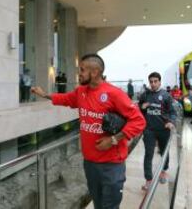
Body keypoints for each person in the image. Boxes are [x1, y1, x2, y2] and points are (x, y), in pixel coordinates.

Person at [31, 54, 145, 209]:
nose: (79, 73)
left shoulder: (114, 93)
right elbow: (66, 99)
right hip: (90, 163)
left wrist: (113, 140)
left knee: (110, 206)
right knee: (98, 204)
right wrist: (45, 95)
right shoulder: (81, 91)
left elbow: (139, 120)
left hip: (111, 165)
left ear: (95, 72)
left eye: (82, 70)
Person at [138, 72, 176, 190]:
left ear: (160, 81)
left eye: (155, 81)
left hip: (163, 130)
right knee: (148, 154)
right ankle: (148, 180)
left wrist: (171, 122)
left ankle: (164, 171)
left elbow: (172, 112)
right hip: (149, 130)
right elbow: (139, 109)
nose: (153, 84)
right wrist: (142, 107)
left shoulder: (166, 95)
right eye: (151, 82)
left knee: (164, 151)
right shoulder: (145, 95)